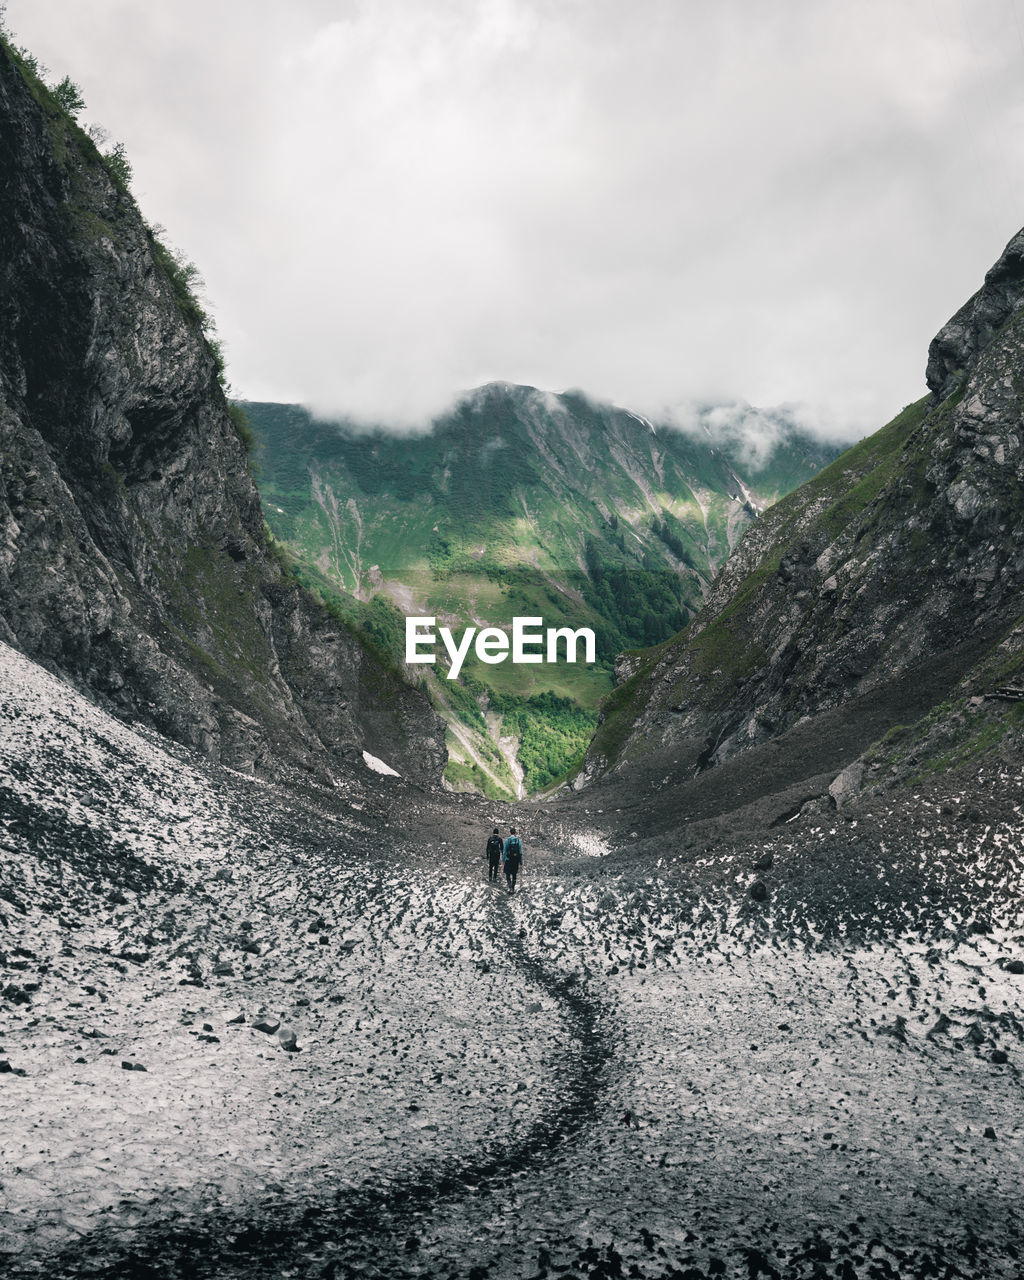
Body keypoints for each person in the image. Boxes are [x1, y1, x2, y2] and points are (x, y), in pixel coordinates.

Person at [502, 827, 523, 892]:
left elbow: (504, 851)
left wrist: (503, 860)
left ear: (510, 832)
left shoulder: (508, 840)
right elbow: (520, 852)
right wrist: (521, 861)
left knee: (507, 873)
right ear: (515, 833)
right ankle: (513, 888)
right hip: (516, 859)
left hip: (508, 859)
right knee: (514, 874)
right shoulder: (518, 840)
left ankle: (510, 886)